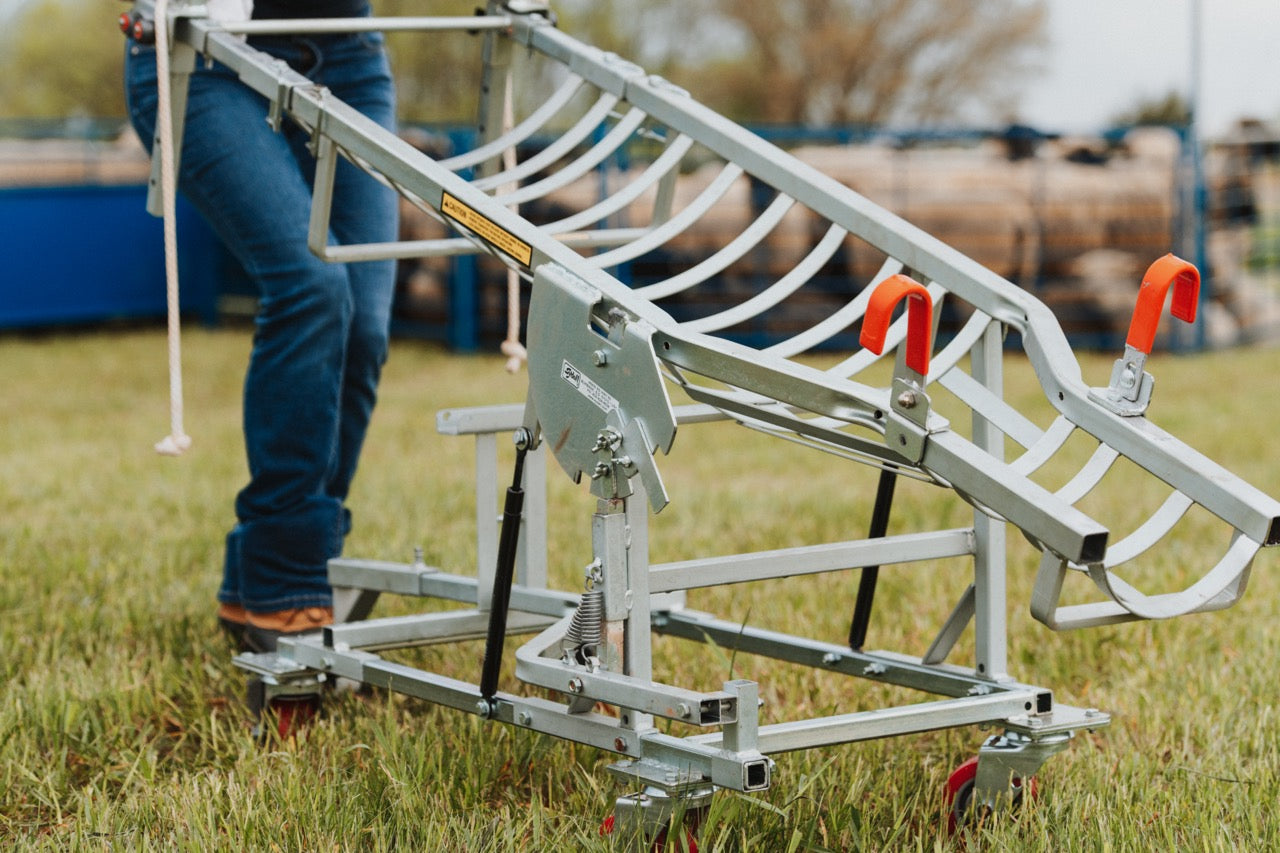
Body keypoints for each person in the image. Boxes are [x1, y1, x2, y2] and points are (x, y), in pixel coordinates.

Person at [124, 0, 399, 652]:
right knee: (312, 285)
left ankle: (263, 572)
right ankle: (288, 584)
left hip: (348, 57)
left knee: (364, 326)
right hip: (206, 54)